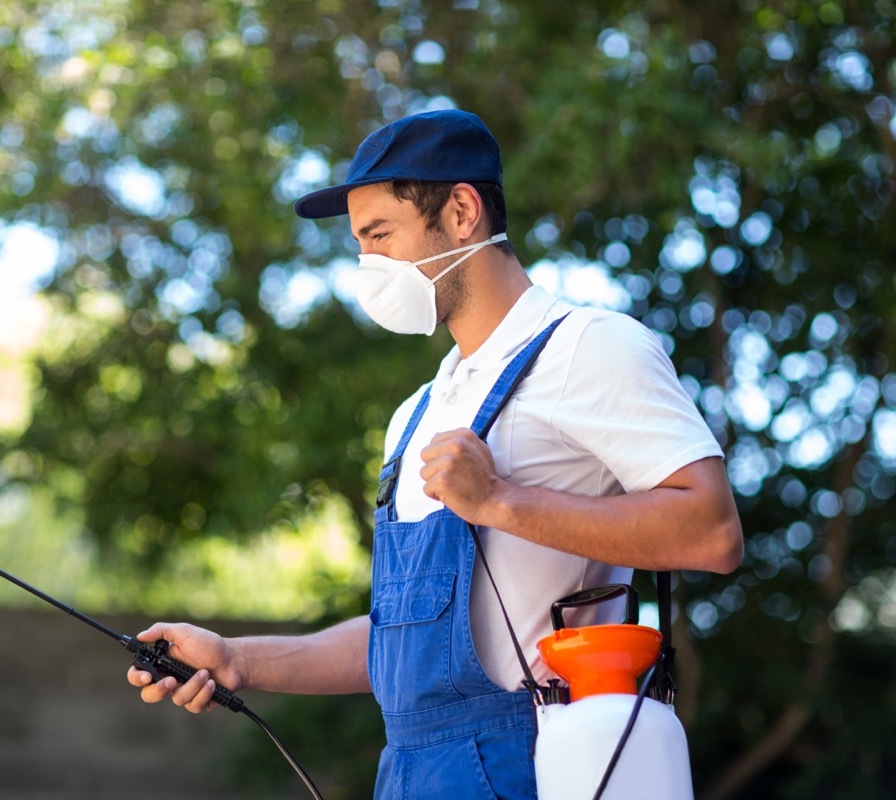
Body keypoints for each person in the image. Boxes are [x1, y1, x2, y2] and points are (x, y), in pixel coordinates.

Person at [127, 109, 743, 798]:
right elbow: (401, 641)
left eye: (379, 234)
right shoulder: (414, 416)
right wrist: (238, 660)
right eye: (359, 244)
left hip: (542, 765)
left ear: (460, 211)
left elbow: (713, 532)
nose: (367, 265)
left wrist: (501, 501)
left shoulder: (588, 347)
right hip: (412, 773)